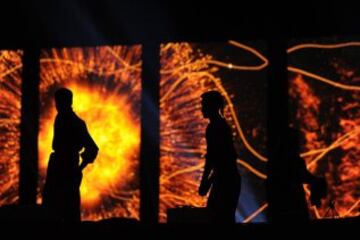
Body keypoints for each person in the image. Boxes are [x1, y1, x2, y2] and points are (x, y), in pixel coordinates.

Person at [42, 88, 98, 222]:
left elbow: (92, 148)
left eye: (60, 102)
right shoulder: (60, 117)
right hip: (59, 165)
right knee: (52, 208)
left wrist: (78, 168)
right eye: (57, 102)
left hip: (67, 166)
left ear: (68, 102)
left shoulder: (77, 123)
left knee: (67, 209)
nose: (57, 105)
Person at [198, 90, 241, 223]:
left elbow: (215, 158)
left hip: (226, 180)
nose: (202, 108)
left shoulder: (215, 128)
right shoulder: (219, 126)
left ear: (213, 106)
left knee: (218, 218)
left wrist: (206, 181)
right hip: (227, 179)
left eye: (204, 105)